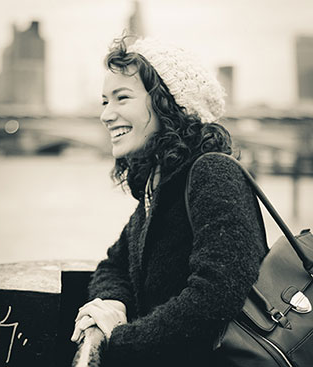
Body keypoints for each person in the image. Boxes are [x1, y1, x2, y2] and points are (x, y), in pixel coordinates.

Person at [71, 36, 269, 366]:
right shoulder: (158, 185)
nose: (106, 114)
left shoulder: (211, 173)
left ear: (168, 103)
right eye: (105, 101)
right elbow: (114, 265)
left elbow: (218, 294)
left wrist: (122, 338)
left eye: (122, 98)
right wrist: (113, 305)